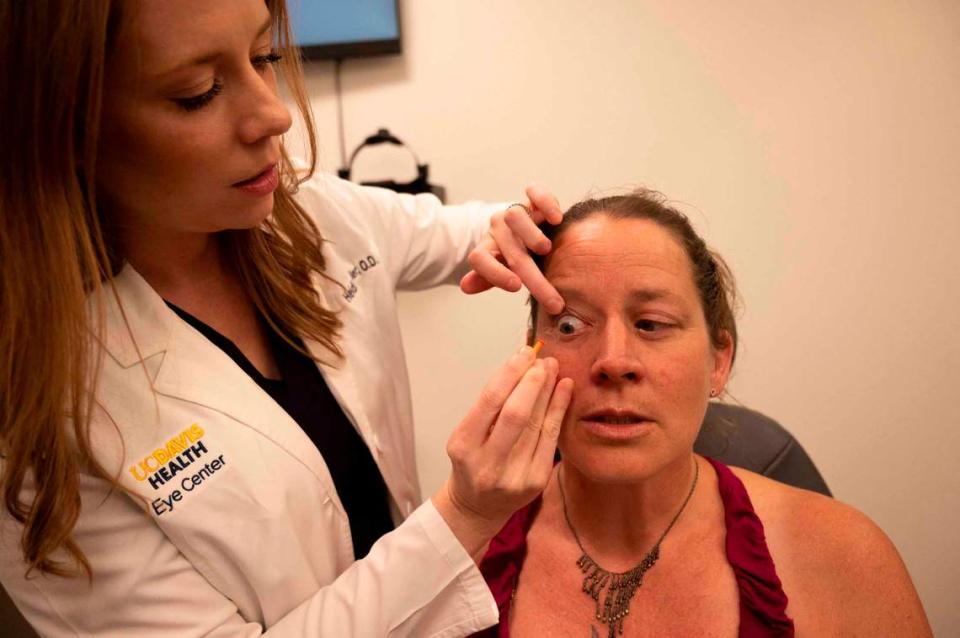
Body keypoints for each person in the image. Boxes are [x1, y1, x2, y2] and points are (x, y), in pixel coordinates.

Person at [0, 1, 575, 636]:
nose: (274, 114)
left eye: (264, 56)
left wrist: (533, 234)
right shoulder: (41, 418)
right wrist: (466, 514)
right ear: (63, 128)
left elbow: (471, 232)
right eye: (199, 92)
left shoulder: (314, 218)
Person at [475, 191, 932, 637]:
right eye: (570, 324)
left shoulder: (842, 556)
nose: (613, 361)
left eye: (651, 324)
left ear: (719, 361)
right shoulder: (462, 551)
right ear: (532, 352)